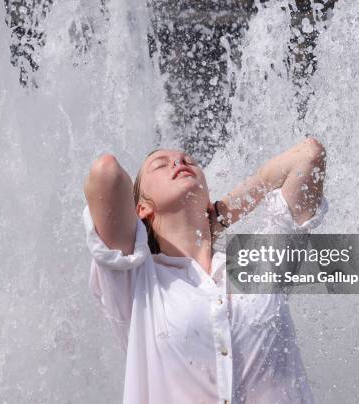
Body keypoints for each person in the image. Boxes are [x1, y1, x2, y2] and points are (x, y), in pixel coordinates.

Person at [82, 137, 329, 404]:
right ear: (141, 209)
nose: (179, 162)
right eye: (160, 165)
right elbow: (106, 172)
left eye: (189, 161)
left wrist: (223, 213)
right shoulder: (137, 283)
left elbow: (309, 156)